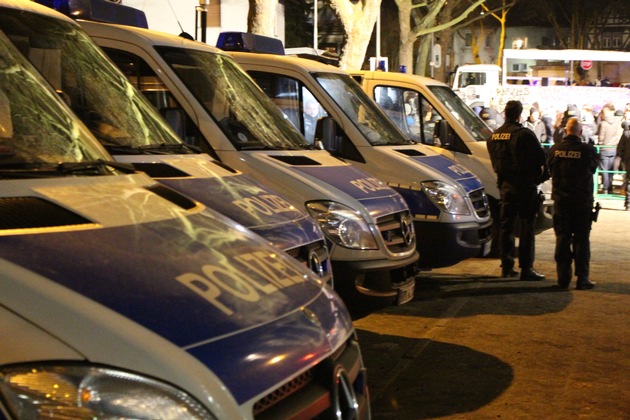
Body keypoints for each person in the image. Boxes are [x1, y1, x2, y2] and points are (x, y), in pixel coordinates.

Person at [487, 100, 549, 280]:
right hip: (525, 187)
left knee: (506, 227)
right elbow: (540, 159)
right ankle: (526, 268)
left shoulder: (494, 136)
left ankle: (506, 267)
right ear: (520, 115)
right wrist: (539, 178)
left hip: (505, 187)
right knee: (526, 228)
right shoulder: (524, 134)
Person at [547, 117, 599, 290]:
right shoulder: (588, 150)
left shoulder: (555, 150)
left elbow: (549, 169)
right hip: (581, 202)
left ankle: (563, 279)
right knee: (582, 240)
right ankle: (582, 278)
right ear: (580, 132)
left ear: (565, 131)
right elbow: (592, 168)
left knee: (562, 239)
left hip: (561, 202)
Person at [596, 103, 620, 194]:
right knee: (610, 170)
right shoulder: (617, 123)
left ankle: (605, 188)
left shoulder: (603, 123)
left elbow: (601, 137)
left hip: (604, 148)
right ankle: (610, 188)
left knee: (604, 169)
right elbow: (618, 135)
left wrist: (601, 143)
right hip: (613, 148)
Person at [614, 111, 630, 210]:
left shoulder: (626, 133)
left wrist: (623, 159)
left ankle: (628, 203)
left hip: (629, 161)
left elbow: (620, 148)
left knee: (629, 181)